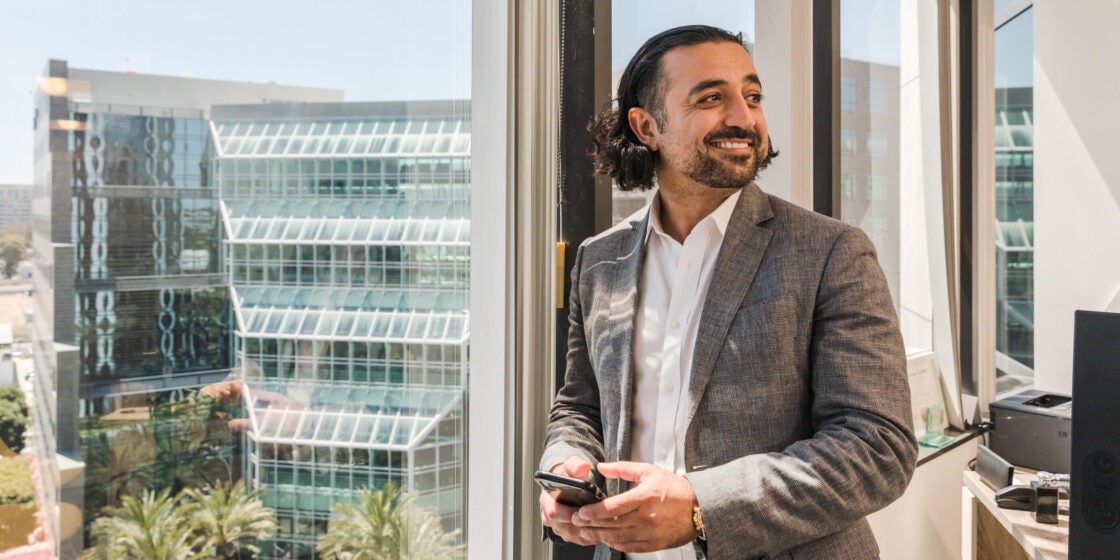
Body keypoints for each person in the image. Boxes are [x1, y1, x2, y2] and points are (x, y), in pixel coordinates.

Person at [539, 25, 917, 560]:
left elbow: (879, 448)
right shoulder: (600, 261)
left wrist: (700, 507)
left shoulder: (832, 251)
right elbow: (580, 406)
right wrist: (564, 467)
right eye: (712, 97)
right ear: (647, 126)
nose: (744, 118)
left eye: (753, 96)